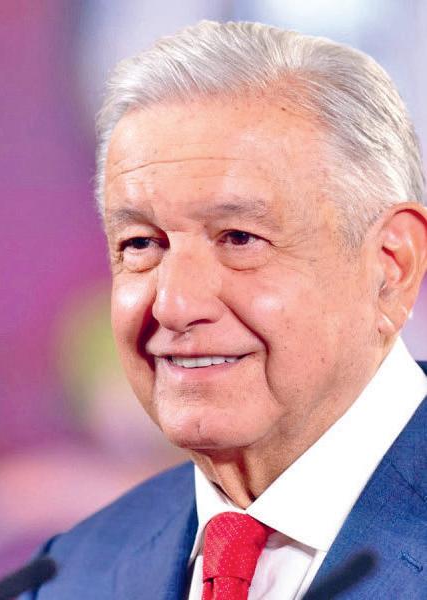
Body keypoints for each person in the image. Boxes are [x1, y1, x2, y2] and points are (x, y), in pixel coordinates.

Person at [22, 20, 427, 599]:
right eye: (141, 243)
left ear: (392, 265)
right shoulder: (69, 574)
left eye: (239, 238)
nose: (175, 305)